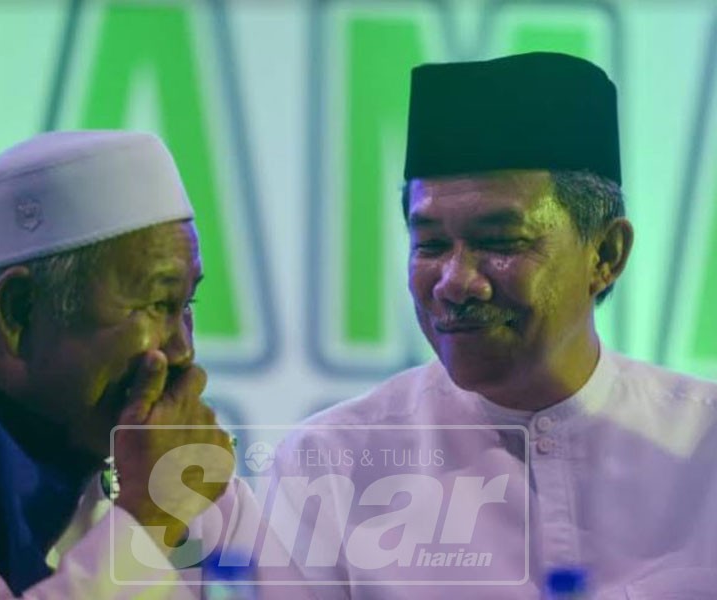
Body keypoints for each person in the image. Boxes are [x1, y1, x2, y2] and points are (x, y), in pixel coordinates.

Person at [267, 52, 717, 598]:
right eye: (430, 244)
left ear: (606, 253)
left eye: (500, 242)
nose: (456, 282)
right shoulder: (330, 467)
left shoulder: (703, 450)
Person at [0, 130, 251, 598]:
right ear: (20, 311)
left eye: (186, 304)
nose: (182, 352)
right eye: (157, 304)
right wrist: (149, 519)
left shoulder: (143, 436)